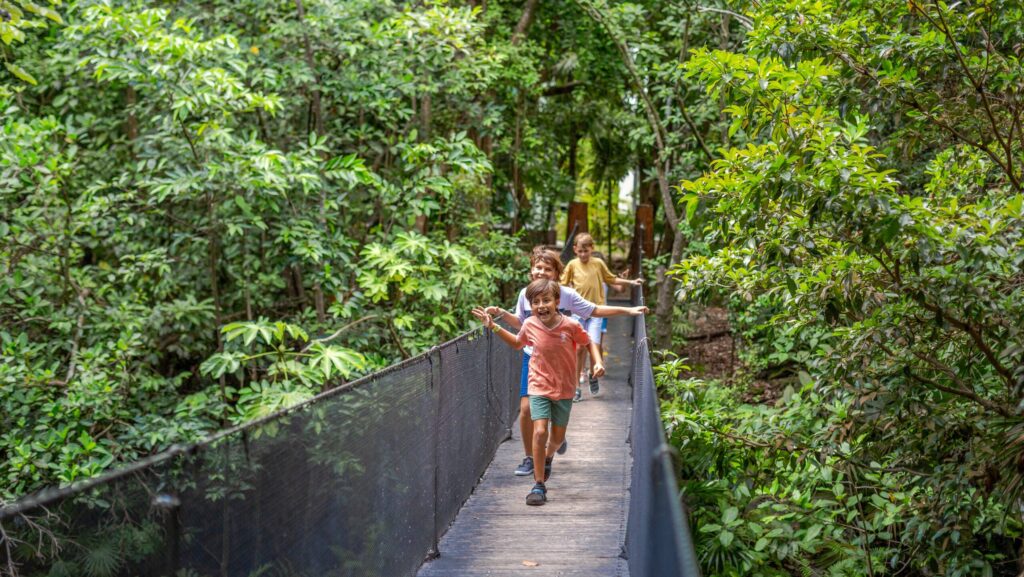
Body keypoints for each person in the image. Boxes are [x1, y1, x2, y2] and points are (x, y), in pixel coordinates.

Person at [480, 247, 647, 477]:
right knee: (526, 408)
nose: (541, 272)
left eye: (547, 269)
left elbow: (594, 310)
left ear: (556, 273)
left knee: (555, 421)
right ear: (531, 271)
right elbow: (521, 324)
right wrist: (499, 313)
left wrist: (627, 311)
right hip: (534, 356)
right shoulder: (525, 294)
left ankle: (554, 442)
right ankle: (530, 458)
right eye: (537, 267)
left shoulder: (567, 295)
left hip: (562, 361)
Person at [473, 278, 604, 506]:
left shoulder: (571, 325)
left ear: (556, 301)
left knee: (556, 439)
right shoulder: (530, 324)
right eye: (535, 302)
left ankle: (549, 457)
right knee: (540, 431)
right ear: (530, 306)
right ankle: (539, 485)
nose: (541, 305)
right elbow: (517, 343)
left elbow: (589, 341)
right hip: (539, 385)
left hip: (564, 388)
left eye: (546, 300)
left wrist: (598, 363)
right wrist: (493, 326)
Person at [561, 234, 643, 400]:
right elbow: (562, 284)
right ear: (575, 249)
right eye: (580, 251)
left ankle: (593, 374)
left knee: (594, 346)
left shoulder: (598, 264)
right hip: (578, 311)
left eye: (586, 250)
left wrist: (631, 282)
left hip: (596, 310)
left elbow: (610, 278)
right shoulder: (571, 265)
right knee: (578, 348)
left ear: (592, 249)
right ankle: (576, 386)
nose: (583, 254)